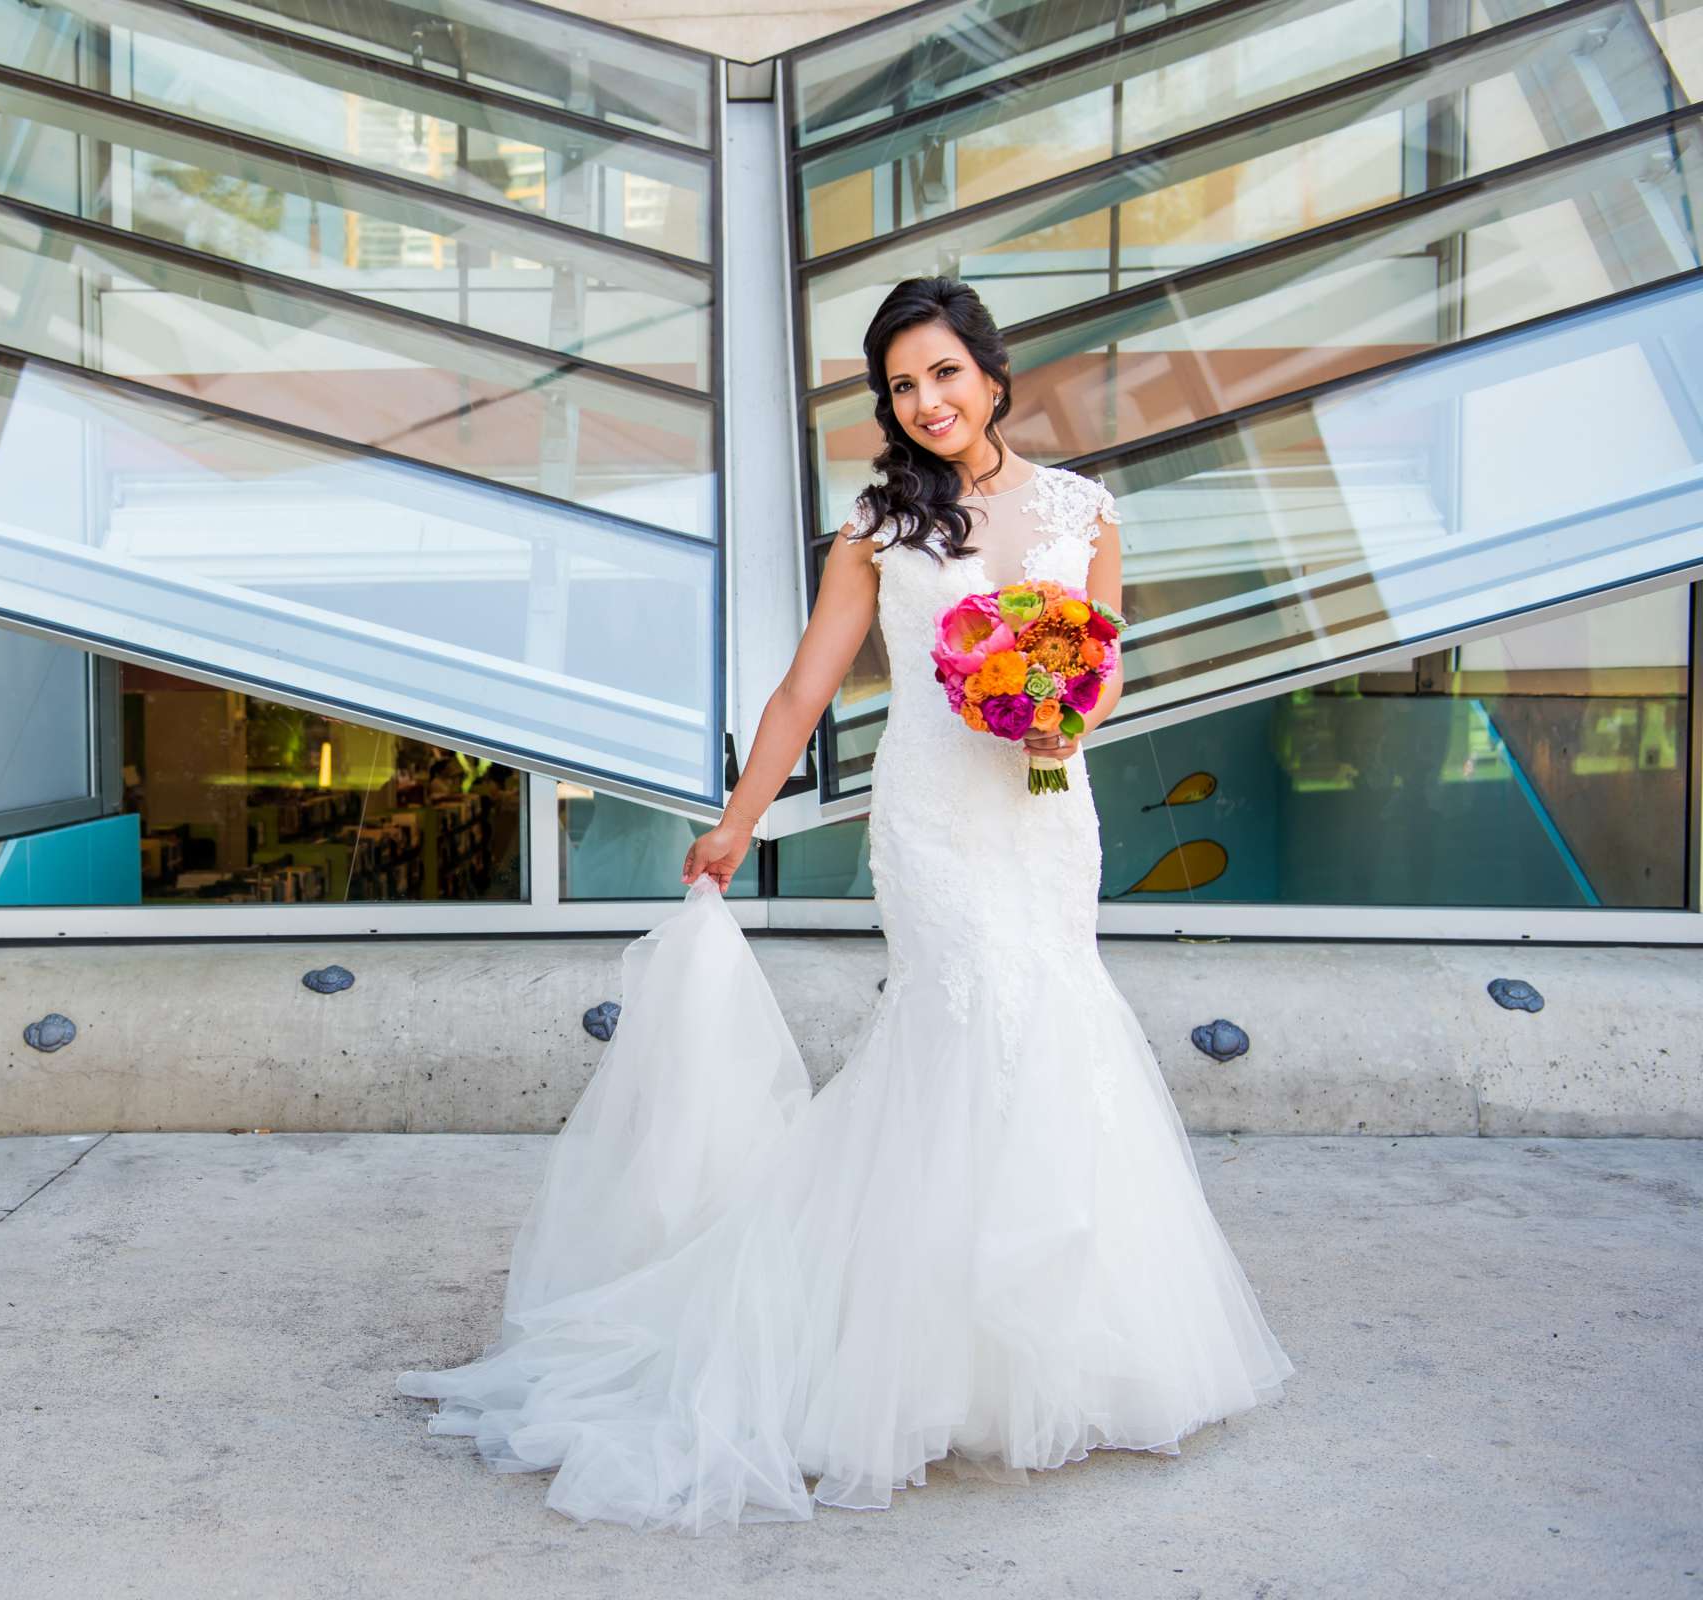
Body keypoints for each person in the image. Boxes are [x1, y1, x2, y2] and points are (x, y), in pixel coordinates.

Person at [396, 276, 1296, 1533]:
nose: (924, 401)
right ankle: (908, 1354)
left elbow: (1100, 669)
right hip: (932, 818)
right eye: (900, 386)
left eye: (942, 373)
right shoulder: (878, 527)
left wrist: (1050, 703)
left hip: (1043, 813)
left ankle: (1043, 1351)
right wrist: (737, 818)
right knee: (964, 1024)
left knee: (1056, 1023)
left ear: (990, 373)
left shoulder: (1086, 512)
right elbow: (802, 692)